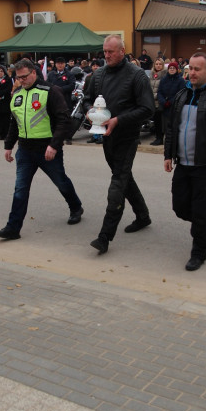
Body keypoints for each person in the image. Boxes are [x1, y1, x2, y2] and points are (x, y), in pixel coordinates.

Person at [0, 59, 83, 240]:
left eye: (24, 76)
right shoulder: (17, 94)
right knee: (20, 189)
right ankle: (13, 228)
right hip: (25, 151)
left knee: (61, 181)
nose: (22, 80)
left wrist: (54, 145)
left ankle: (76, 207)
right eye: (18, 78)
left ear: (34, 73)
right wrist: (8, 145)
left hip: (47, 149)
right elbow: (15, 122)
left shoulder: (50, 91)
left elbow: (64, 120)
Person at [85, 34, 154, 254]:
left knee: (117, 182)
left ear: (122, 51)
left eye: (110, 52)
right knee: (124, 177)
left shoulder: (136, 76)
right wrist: (89, 112)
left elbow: (147, 108)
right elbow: (87, 99)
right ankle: (143, 216)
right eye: (104, 52)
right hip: (106, 136)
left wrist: (118, 120)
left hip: (127, 136)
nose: (106, 56)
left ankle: (105, 237)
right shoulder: (99, 75)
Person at [164, 52, 206, 271]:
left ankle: (199, 253)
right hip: (183, 164)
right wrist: (168, 155)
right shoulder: (182, 95)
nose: (191, 73)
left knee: (200, 211)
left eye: (197, 69)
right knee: (180, 207)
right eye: (190, 68)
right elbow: (172, 128)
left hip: (205, 165)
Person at [157, 61, 186, 136]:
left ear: (177, 70)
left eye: (173, 68)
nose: (172, 69)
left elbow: (181, 93)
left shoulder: (180, 81)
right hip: (165, 108)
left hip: (175, 108)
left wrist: (170, 102)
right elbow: (159, 92)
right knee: (166, 129)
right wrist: (163, 101)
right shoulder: (163, 80)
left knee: (174, 129)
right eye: (170, 68)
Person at [148, 57, 167, 146]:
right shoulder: (151, 75)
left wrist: (155, 96)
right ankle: (157, 137)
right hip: (152, 102)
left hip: (160, 101)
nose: (158, 66)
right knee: (156, 121)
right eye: (156, 64)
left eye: (160, 64)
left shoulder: (165, 75)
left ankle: (160, 138)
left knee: (160, 121)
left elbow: (162, 90)